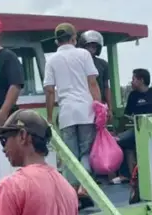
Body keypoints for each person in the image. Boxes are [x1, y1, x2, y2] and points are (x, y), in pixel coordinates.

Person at [44, 22, 101, 198]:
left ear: (56, 41)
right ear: (74, 38)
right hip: (86, 110)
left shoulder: (52, 60)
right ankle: (84, 186)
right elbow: (93, 83)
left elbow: (49, 90)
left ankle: (72, 194)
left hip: (66, 112)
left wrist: (49, 117)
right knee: (86, 152)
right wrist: (99, 107)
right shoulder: (84, 54)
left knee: (70, 155)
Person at [79, 30, 113, 113]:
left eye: (94, 47)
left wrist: (110, 108)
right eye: (89, 46)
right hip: (82, 104)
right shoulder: (77, 63)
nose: (91, 49)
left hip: (99, 104)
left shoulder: (103, 64)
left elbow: (106, 87)